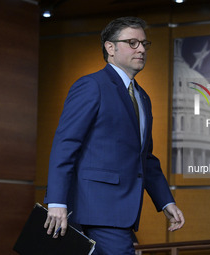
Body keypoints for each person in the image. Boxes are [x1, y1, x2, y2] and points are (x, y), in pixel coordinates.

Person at [43, 16, 185, 255]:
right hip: (96, 209)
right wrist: (56, 202)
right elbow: (66, 144)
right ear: (110, 47)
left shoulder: (142, 97)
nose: (140, 49)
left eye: (143, 44)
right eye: (132, 42)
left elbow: (145, 157)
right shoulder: (91, 85)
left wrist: (165, 201)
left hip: (120, 211)